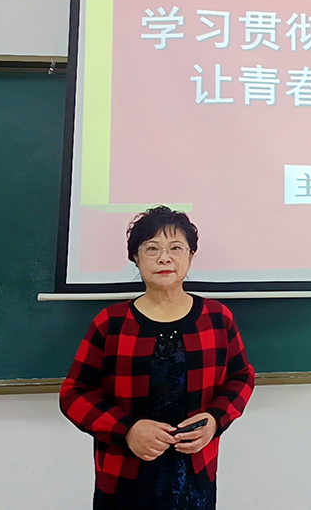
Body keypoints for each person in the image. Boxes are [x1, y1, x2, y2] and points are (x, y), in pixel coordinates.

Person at [60, 206, 255, 510]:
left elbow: (241, 378)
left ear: (191, 256)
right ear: (135, 258)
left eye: (176, 248)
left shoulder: (217, 318)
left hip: (195, 477)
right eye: (152, 248)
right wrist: (126, 429)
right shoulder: (111, 323)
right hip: (123, 479)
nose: (165, 258)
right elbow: (74, 394)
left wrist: (215, 420)